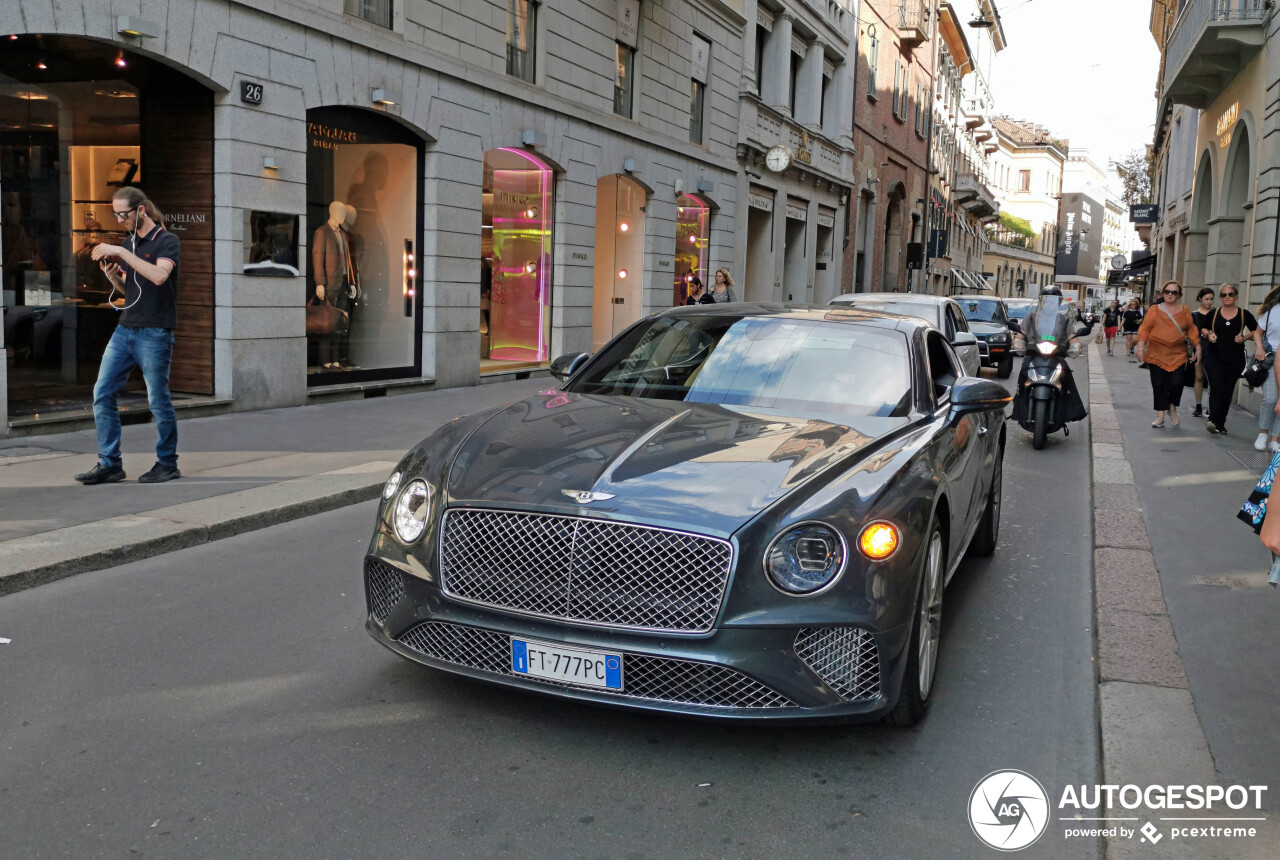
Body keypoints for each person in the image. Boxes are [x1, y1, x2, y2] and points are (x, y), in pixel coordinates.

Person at [74, 186, 182, 485]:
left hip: (155, 332)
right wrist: (114, 276)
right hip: (125, 329)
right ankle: (110, 464)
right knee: (102, 393)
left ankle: (167, 463)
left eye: (123, 214)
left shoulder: (167, 241)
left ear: (141, 211)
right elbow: (132, 291)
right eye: (116, 214)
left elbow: (160, 276)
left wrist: (121, 252)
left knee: (158, 400)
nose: (119, 219)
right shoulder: (129, 242)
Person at [1010, 285, 1087, 425]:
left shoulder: (1063, 320)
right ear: (1041, 302)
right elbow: (1021, 334)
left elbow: (1072, 336)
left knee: (1066, 374)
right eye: (1046, 300)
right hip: (1034, 354)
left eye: (1053, 301)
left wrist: (1076, 346)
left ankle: (1072, 409)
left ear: (1058, 304)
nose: (1049, 303)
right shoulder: (1031, 317)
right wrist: (1018, 343)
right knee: (1024, 371)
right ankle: (1019, 407)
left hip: (1056, 355)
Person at [1198, 283, 1264, 436]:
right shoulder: (1213, 313)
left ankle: (1221, 423)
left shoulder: (1243, 314)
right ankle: (1213, 420)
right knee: (1216, 386)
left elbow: (1257, 331)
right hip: (1214, 357)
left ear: (1236, 296)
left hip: (1235, 358)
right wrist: (1209, 335)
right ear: (1220, 297)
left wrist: (1244, 337)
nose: (1227, 297)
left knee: (1227, 390)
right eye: (1223, 295)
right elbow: (1203, 327)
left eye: (1230, 294)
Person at [1135, 280, 1201, 429]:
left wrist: (1198, 347)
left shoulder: (1184, 310)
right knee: (1158, 384)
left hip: (1178, 354)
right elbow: (1144, 328)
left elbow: (1191, 329)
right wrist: (1140, 348)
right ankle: (1160, 415)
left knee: (1176, 383)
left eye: (1174, 292)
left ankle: (1172, 409)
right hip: (1156, 353)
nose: (1170, 294)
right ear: (1163, 293)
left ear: (1179, 295)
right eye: (1167, 292)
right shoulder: (1155, 309)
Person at [311, 201, 353, 369]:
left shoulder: (343, 234)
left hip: (343, 283)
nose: (343, 215)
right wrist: (319, 283)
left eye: (344, 212)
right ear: (332, 212)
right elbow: (317, 258)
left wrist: (351, 282)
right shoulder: (322, 232)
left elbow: (348, 260)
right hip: (329, 284)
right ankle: (326, 361)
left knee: (338, 324)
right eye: (340, 212)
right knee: (326, 324)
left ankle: (335, 360)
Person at [1255, 284, 1280, 452]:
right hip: (1271, 358)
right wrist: (1259, 348)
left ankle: (1274, 439)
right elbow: (1258, 332)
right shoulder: (1271, 310)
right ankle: (1263, 432)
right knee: (1271, 398)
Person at [1190, 287, 1215, 418]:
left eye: (1211, 299)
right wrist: (1192, 350)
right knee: (1199, 377)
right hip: (1199, 347)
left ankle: (1211, 407)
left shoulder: (1216, 313)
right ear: (1200, 299)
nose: (1209, 302)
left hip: (1214, 348)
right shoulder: (1194, 315)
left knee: (1213, 379)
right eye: (1206, 299)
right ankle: (1198, 406)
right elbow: (1190, 334)